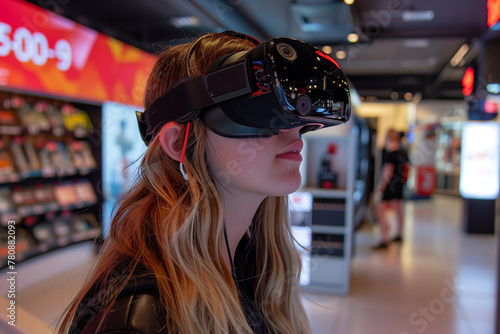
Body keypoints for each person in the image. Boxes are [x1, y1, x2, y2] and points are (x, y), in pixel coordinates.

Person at [58, 31, 350, 333]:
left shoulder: (254, 267)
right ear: (178, 143)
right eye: (258, 110)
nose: (297, 129)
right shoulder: (139, 319)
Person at [373, 129, 409, 249]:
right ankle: (399, 234)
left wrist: (380, 187)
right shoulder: (403, 153)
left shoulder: (390, 153)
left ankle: (385, 239)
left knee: (379, 210)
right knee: (398, 209)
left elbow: (387, 172)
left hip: (389, 186)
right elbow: (406, 170)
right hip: (399, 185)